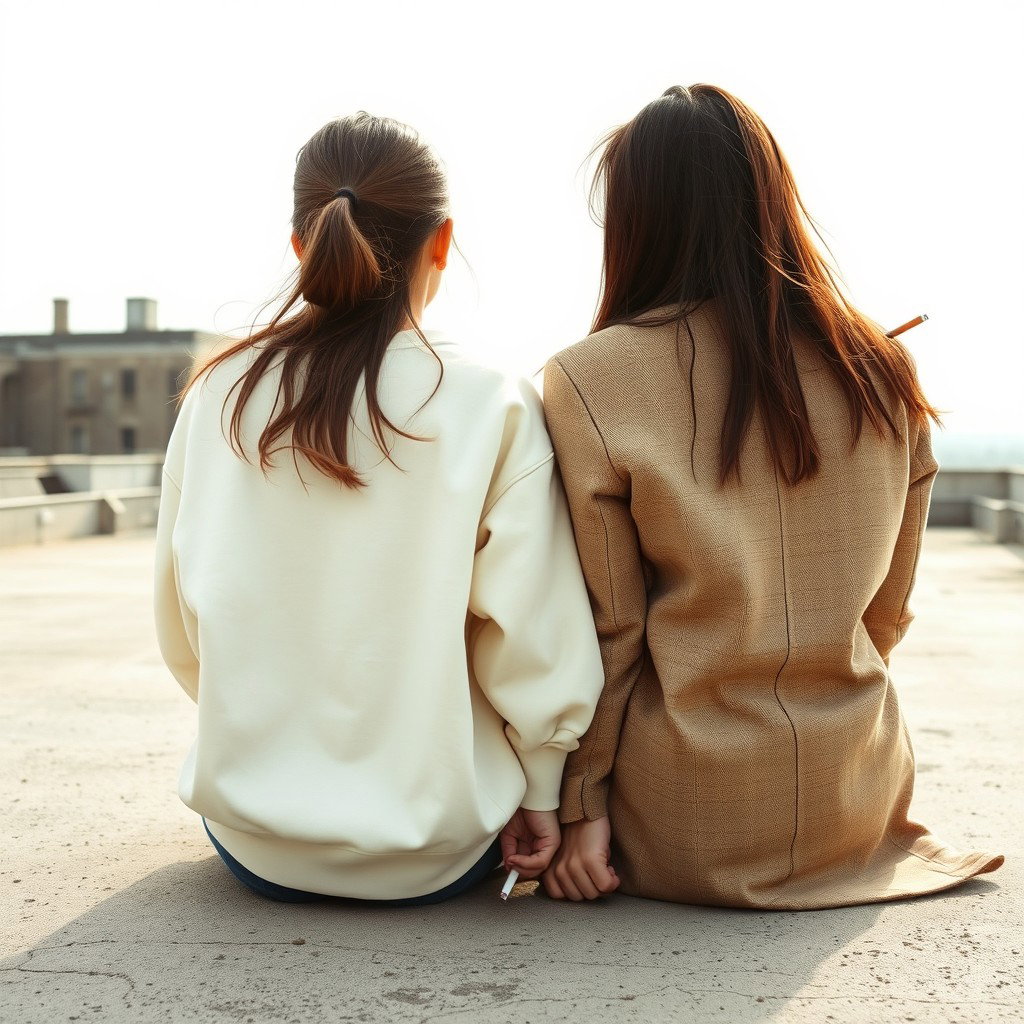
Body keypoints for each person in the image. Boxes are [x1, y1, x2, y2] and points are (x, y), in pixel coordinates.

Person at [540, 84, 1004, 909]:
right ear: (772, 198)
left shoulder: (589, 378)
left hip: (683, 824)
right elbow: (886, 617)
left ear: (636, 216)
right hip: (855, 804)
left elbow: (614, 634)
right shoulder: (883, 371)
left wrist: (581, 811)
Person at [153, 112, 604, 904]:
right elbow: (532, 633)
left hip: (255, 847)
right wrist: (538, 791)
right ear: (443, 241)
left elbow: (185, 621)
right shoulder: (487, 402)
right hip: (439, 850)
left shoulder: (218, 394)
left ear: (301, 243)